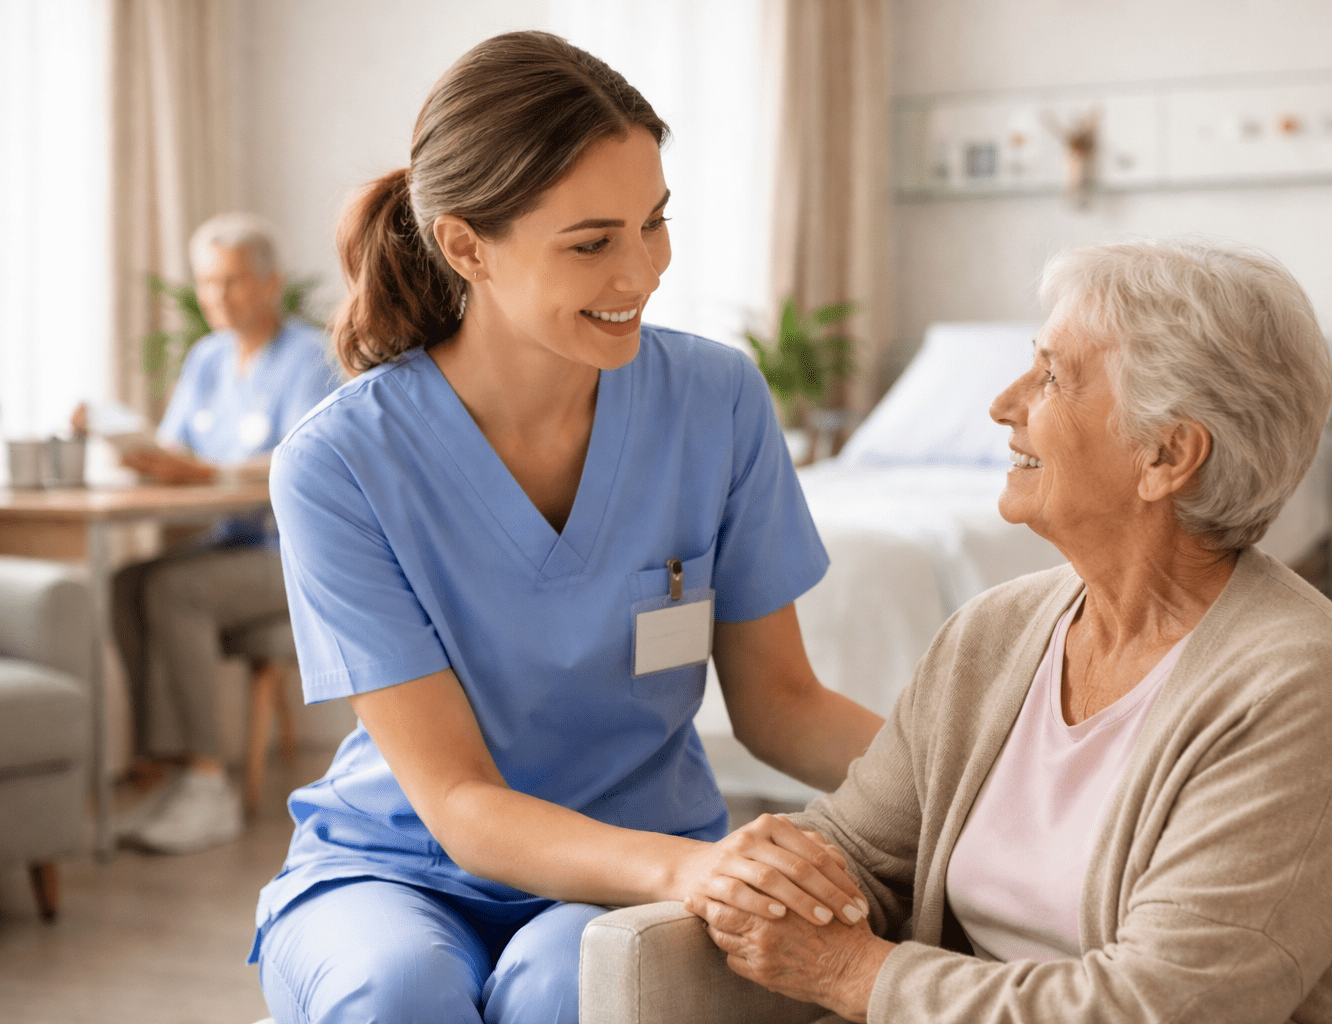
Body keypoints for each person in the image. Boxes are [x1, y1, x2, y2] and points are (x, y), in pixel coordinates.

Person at [250, 31, 883, 1024]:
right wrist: (703, 866)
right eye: (592, 242)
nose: (642, 270)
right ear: (467, 246)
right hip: (400, 866)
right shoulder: (339, 462)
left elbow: (782, 703)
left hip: (633, 863)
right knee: (399, 992)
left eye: (654, 223)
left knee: (568, 984)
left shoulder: (715, 401)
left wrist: (984, 789)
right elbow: (458, 802)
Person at [687, 239, 1332, 1024]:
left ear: (1166, 454)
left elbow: (1163, 1007)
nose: (1003, 404)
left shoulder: (1294, 682)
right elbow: (861, 846)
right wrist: (771, 872)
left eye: (1052, 376)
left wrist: (857, 976)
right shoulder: (990, 634)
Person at [110, 213, 337, 855]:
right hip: (225, 547)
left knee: (173, 591)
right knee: (127, 581)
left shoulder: (308, 357)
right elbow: (175, 447)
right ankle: (165, 766)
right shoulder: (207, 357)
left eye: (233, 281)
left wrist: (205, 471)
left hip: (288, 558)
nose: (218, 297)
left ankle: (207, 783)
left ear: (273, 284)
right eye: (209, 284)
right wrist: (144, 457)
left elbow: (301, 464)